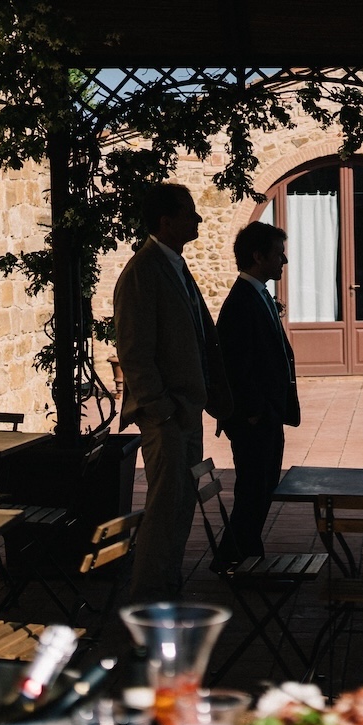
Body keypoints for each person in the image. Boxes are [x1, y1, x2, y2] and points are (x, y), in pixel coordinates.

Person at [112, 182, 231, 602]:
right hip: (167, 415)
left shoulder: (175, 266)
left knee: (180, 509)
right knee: (164, 512)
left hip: (184, 411)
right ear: (166, 221)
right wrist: (161, 410)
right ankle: (147, 602)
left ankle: (166, 589)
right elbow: (134, 349)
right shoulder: (143, 272)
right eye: (190, 212)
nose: (197, 219)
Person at [214, 221, 300, 569]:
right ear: (258, 256)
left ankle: (242, 553)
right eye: (279, 254)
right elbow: (236, 363)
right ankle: (238, 557)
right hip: (255, 417)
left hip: (267, 413)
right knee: (254, 488)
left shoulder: (258, 294)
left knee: (262, 487)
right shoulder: (241, 302)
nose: (285, 261)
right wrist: (253, 411)